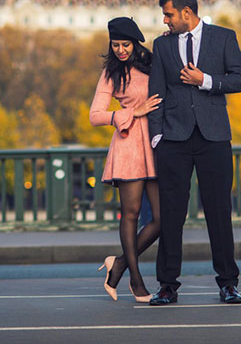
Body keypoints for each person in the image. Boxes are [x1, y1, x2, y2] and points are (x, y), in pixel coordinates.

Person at [146, 0, 241, 306]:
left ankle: (228, 283)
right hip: (173, 141)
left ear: (186, 12)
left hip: (214, 138)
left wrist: (205, 80)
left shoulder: (224, 37)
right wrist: (157, 136)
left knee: (219, 213)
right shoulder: (161, 46)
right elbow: (156, 94)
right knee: (171, 215)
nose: (165, 21)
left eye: (168, 15)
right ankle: (167, 285)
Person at [90, 17, 162, 303]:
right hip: (129, 143)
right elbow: (95, 116)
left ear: (136, 42)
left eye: (125, 44)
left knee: (163, 219)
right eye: (115, 45)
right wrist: (134, 112)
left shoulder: (154, 62)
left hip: (156, 144)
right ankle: (135, 278)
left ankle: (117, 264)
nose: (120, 50)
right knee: (130, 214)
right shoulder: (111, 72)